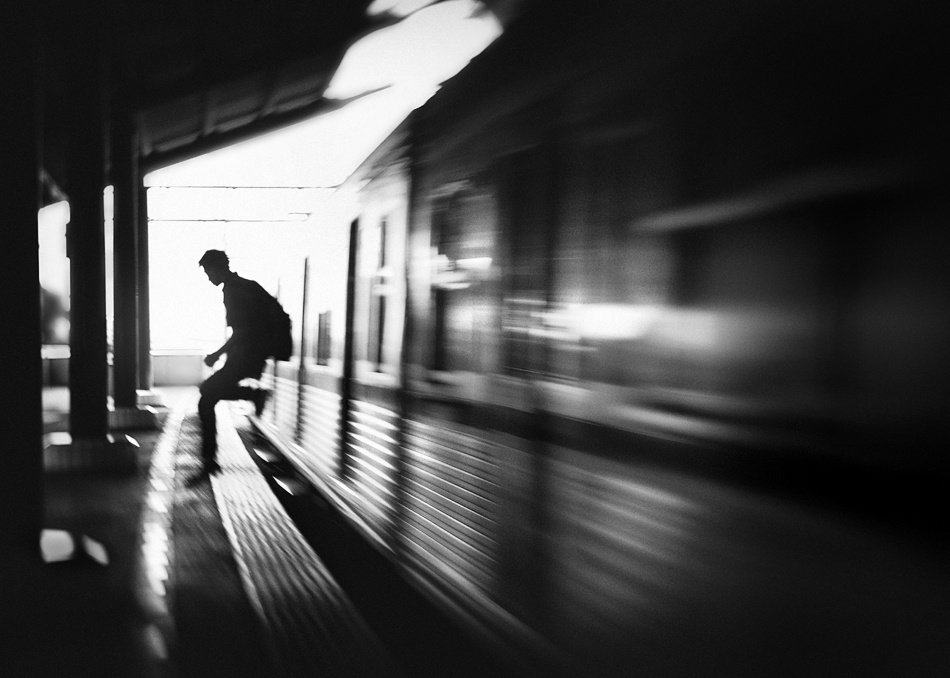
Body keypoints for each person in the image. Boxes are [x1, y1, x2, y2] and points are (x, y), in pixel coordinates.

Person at [196, 249, 270, 476]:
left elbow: (242, 330)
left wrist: (216, 354)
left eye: (208, 272)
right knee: (207, 394)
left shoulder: (233, 291)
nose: (208, 277)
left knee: (206, 397)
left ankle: (209, 459)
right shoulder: (242, 286)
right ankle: (252, 395)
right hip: (250, 356)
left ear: (217, 268)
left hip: (244, 357)